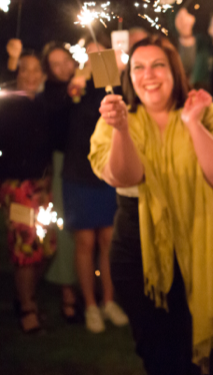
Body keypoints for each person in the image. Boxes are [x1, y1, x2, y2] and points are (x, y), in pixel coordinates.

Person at [90, 35, 213, 374]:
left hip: (204, 240)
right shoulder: (114, 119)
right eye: (139, 67)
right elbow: (125, 177)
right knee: (159, 354)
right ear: (128, 76)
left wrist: (192, 123)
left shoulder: (202, 108)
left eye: (158, 65)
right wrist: (122, 130)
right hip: (138, 250)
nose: (148, 74)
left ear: (175, 71)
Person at [59, 41, 127, 333]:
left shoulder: (113, 85)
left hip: (107, 172)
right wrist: (80, 80)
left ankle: (109, 300)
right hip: (78, 173)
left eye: (100, 52)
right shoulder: (74, 85)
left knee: (109, 240)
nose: (94, 57)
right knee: (85, 242)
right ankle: (89, 304)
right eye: (89, 52)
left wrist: (119, 75)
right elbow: (61, 119)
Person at [0, 51, 54, 334]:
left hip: (42, 187)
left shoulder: (42, 104)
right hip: (18, 186)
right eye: (25, 70)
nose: (31, 75)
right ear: (17, 74)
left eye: (36, 71)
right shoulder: (9, 104)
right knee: (25, 249)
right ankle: (26, 308)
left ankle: (25, 297)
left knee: (46, 247)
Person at [41, 42, 81, 323]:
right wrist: (73, 89)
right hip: (61, 164)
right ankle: (68, 291)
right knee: (66, 227)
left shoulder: (83, 82)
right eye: (55, 64)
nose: (63, 67)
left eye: (65, 60)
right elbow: (58, 117)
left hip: (88, 164)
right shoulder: (53, 94)